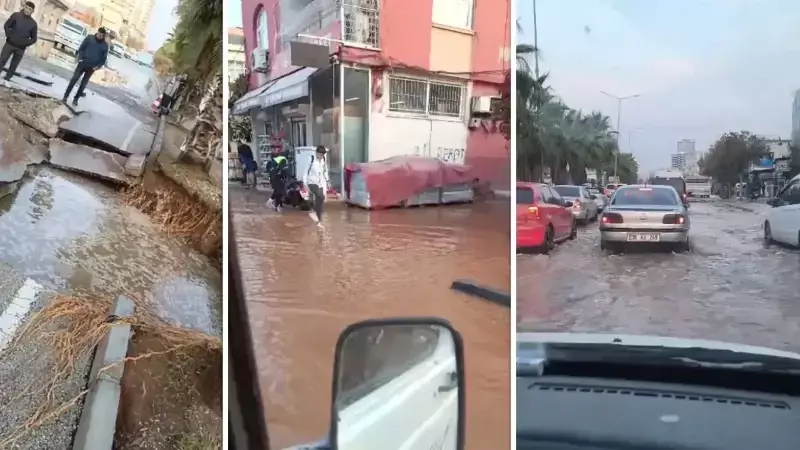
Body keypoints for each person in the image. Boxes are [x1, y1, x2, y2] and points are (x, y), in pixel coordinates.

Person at [62, 27, 109, 106]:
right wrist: (80, 58)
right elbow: (81, 48)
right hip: (82, 63)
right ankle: (65, 96)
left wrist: (97, 67)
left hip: (91, 68)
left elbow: (103, 60)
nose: (98, 36)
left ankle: (76, 99)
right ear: (97, 32)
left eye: (101, 35)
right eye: (98, 34)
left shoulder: (105, 46)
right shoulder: (90, 38)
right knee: (74, 79)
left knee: (83, 84)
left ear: (103, 36)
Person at [0, 2, 37, 86]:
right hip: (9, 44)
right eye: (26, 8)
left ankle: (7, 79)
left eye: (30, 9)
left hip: (20, 49)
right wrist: (9, 36)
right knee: (2, 60)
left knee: (14, 65)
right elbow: (6, 25)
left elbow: (34, 39)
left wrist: (25, 43)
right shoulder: (16, 15)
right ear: (24, 7)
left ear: (32, 11)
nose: (27, 10)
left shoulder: (33, 24)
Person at [303, 146, 330, 226]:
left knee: (320, 200)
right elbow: (305, 172)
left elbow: (325, 171)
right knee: (320, 196)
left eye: (323, 155)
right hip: (311, 182)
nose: (321, 156)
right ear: (316, 153)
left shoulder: (323, 160)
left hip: (320, 183)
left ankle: (319, 221)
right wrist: (305, 184)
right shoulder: (311, 159)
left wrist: (327, 181)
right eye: (320, 154)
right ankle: (313, 211)